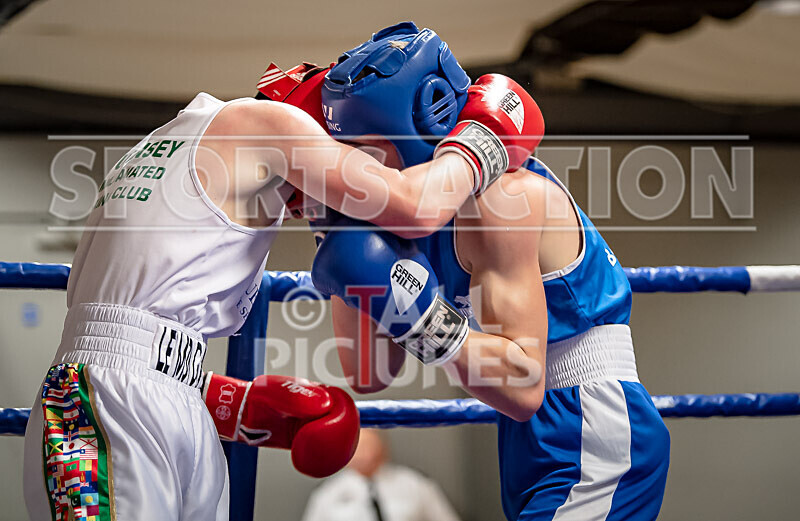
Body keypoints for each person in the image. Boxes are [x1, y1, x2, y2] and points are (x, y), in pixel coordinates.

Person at [22, 22, 546, 521]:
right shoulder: (269, 124)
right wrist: (483, 138)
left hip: (156, 395)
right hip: (98, 400)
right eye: (376, 164)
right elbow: (416, 207)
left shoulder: (199, 136)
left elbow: (137, 331)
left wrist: (232, 402)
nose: (365, 188)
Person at [309, 44, 671, 521]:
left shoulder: (503, 200)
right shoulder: (411, 217)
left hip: (589, 421)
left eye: (367, 151)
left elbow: (523, 385)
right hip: (528, 433)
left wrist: (423, 320)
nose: (357, 171)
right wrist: (339, 225)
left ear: (422, 123)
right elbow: (371, 373)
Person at [301, 429, 461, 521]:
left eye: (366, 445)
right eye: (355, 446)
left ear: (383, 447)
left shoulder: (415, 484)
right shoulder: (328, 494)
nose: (361, 453)